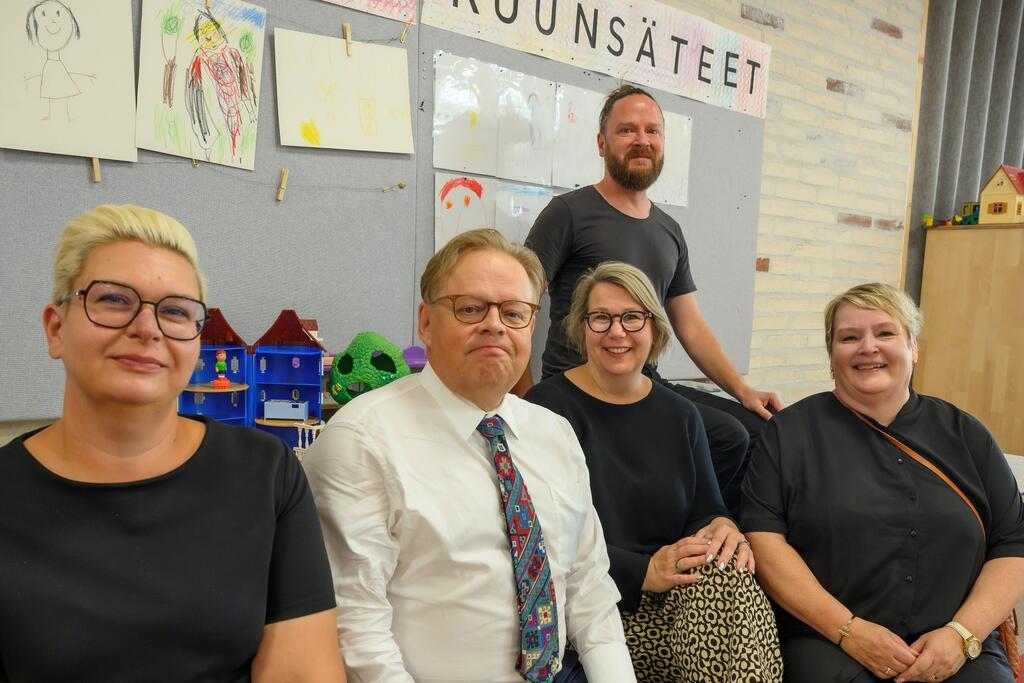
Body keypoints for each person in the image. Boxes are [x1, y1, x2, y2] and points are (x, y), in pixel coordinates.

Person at [0, 205, 346, 682]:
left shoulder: (265, 474)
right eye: (115, 300)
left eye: (176, 312)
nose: (147, 329)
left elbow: (302, 673)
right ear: (56, 329)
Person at [302, 229, 636, 683]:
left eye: (514, 313)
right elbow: (356, 627)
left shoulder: (554, 433)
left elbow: (589, 590)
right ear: (425, 323)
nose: (495, 325)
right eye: (470, 308)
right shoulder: (362, 440)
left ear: (531, 327)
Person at [742, 282, 1024, 683]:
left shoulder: (967, 435)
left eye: (885, 333)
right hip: (829, 642)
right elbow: (764, 539)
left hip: (957, 645)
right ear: (831, 355)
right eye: (849, 337)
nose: (868, 347)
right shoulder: (788, 436)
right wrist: (848, 631)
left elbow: (1012, 543)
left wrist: (961, 636)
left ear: (913, 348)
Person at [523, 83, 781, 514]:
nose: (642, 140)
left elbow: (691, 325)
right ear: (602, 143)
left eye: (653, 131)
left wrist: (743, 389)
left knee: (752, 430)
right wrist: (526, 402)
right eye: (627, 130)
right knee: (725, 435)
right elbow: (520, 307)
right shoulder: (568, 213)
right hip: (582, 386)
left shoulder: (669, 230)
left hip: (645, 381)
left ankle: (713, 536)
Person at [525, 261, 782, 682]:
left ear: (654, 327)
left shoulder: (681, 414)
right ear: (581, 327)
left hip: (676, 593)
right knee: (722, 622)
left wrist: (722, 526)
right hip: (592, 605)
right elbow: (540, 534)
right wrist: (643, 572)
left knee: (730, 579)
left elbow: (705, 509)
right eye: (601, 318)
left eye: (632, 317)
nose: (617, 332)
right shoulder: (547, 409)